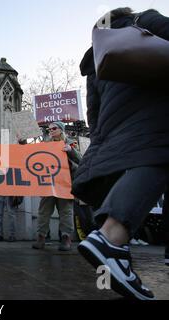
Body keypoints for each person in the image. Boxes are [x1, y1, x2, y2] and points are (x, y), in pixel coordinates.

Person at [73, 7, 169, 300]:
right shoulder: (144, 22)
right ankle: (111, 238)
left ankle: (111, 238)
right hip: (155, 115)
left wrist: (98, 152)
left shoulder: (98, 56)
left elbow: (95, 114)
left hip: (119, 129)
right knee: (159, 159)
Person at [32, 122, 82, 251]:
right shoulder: (46, 144)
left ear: (61, 130)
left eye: (54, 128)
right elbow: (31, 155)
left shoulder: (71, 143)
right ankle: (41, 237)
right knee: (43, 211)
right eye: (49, 130)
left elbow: (81, 160)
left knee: (66, 211)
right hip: (49, 183)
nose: (51, 131)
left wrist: (71, 151)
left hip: (65, 183)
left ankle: (66, 238)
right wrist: (21, 143)